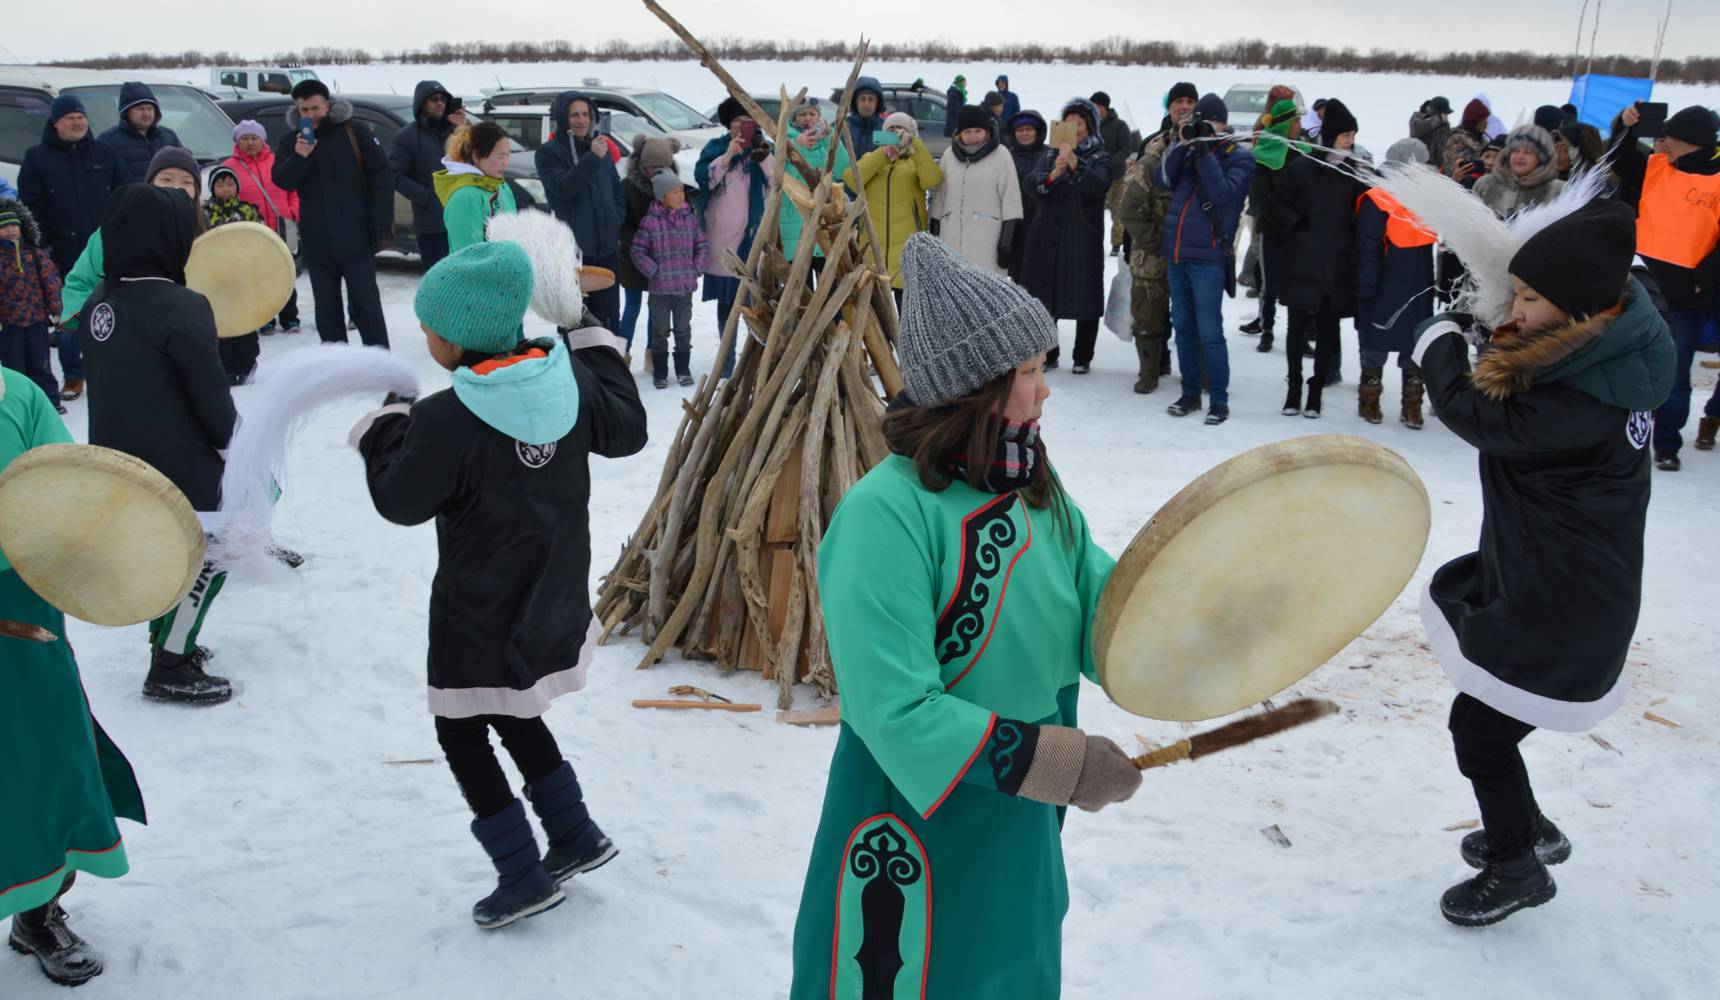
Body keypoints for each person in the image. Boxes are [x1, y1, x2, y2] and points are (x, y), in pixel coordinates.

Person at [788, 233, 1140, 998]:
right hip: (915, 834)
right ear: (973, 389)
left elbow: (1103, 607)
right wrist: (1062, 763)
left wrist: (1196, 623)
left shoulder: (1033, 487)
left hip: (1021, 821)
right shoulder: (885, 515)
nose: (1044, 392)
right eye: (1028, 372)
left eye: (1043, 368)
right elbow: (896, 709)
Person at [350, 240, 647, 929]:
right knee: (513, 709)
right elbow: (627, 429)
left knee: (461, 729)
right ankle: (574, 833)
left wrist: (383, 430)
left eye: (429, 328)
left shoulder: (444, 420)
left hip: (477, 610)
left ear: (456, 340)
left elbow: (400, 500)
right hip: (551, 596)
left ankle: (520, 874)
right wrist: (587, 334)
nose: (424, 337)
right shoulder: (567, 382)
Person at [1411, 199, 1672, 927]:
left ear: (1580, 308)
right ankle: (1527, 831)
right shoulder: (1614, 345)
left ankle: (1517, 867)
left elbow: (1479, 416)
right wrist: (1500, 324)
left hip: (1561, 603)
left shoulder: (1583, 406)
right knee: (1488, 726)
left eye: (1529, 299)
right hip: (1566, 581)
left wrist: (1438, 342)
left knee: (1480, 733)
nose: (1516, 309)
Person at [1, 366, 146, 989]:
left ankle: (38, 914)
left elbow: (66, 486)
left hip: (19, 602)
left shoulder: (16, 393)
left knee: (45, 759)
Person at [79, 184, 239, 705]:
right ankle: (170, 662)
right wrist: (238, 450)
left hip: (118, 463)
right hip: (179, 462)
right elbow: (211, 398)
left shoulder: (99, 301)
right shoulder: (182, 306)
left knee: (162, 555)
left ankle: (168, 639)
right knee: (217, 550)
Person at [1611, 102, 1720, 468]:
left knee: (1675, 372)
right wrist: (1624, 126)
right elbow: (1619, 158)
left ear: (1690, 141)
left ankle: (1667, 445)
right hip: (1640, 284)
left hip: (1687, 295)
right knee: (1627, 362)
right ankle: (1622, 434)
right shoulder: (1657, 167)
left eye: (1669, 136)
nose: (1663, 142)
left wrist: (1701, 283)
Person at [17, 95, 127, 404]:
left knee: (113, 308)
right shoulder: (37, 158)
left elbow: (125, 194)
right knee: (69, 312)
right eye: (69, 118)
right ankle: (74, 373)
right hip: (61, 251)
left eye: (80, 117)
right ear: (55, 123)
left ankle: (111, 368)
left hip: (105, 247)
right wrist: (43, 248)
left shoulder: (106, 153)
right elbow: (31, 207)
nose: (77, 122)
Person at [1154, 93, 1253, 423]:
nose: (1203, 128)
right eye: (1199, 122)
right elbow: (1162, 180)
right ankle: (1190, 393)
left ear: (1223, 125)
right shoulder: (1188, 150)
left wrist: (1204, 152)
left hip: (1208, 257)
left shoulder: (1239, 157)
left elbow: (1223, 195)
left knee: (1210, 332)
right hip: (1177, 254)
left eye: (1209, 123)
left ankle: (1219, 400)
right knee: (1183, 328)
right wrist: (1181, 145)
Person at [272, 80, 393, 348]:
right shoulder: (291, 141)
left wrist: (381, 222)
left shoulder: (354, 131)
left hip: (356, 237)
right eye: (304, 110)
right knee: (327, 312)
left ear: (328, 105)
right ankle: (336, 364)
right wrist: (300, 156)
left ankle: (380, 362)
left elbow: (382, 177)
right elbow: (282, 180)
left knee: (366, 307)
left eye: (315, 108)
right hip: (318, 242)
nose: (310, 115)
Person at [1270, 99, 1364, 419]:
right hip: (1302, 260)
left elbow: (1361, 214)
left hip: (1335, 263)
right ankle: (1293, 389)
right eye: (1345, 135)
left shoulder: (1354, 172)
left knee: (1327, 329)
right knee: (1296, 328)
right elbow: (1277, 204)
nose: (1350, 140)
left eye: (1353, 135)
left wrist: (1350, 239)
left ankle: (1315, 392)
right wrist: (1298, 227)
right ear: (1332, 135)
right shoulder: (1304, 167)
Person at [1020, 98, 1113, 374]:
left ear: (1090, 126)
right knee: (1045, 294)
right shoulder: (1050, 154)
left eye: (1080, 123)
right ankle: (1049, 353)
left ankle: (1083, 356)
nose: (1074, 127)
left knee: (1085, 295)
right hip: (1047, 233)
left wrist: (1076, 164)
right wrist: (1053, 174)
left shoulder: (1099, 155)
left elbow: (1099, 186)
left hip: (1082, 235)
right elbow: (1031, 184)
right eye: (1069, 122)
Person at [1117, 85, 1197, 394]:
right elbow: (1131, 204)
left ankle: (1197, 372)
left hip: (1191, 251)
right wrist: (1152, 242)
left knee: (1193, 318)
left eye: (1190, 101)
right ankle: (1150, 371)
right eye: (1179, 101)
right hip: (1153, 251)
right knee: (1148, 317)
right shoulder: (1153, 149)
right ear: (1169, 106)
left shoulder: (1207, 145)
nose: (1184, 106)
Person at [1355, 139, 1438, 428]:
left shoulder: (1426, 199)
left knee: (1415, 345)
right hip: (1384, 285)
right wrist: (1367, 286)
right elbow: (1368, 248)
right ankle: (1369, 399)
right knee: (1375, 343)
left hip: (1418, 286)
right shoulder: (1378, 198)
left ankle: (1412, 403)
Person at [695, 97, 773, 379]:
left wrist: (763, 157)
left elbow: (778, 181)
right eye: (737, 120)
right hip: (724, 240)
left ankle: (757, 361)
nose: (742, 125)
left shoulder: (765, 148)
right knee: (727, 306)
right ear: (728, 124)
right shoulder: (715, 148)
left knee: (757, 305)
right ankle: (727, 361)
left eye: (747, 120)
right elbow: (704, 180)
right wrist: (728, 156)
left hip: (755, 239)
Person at [535, 91, 624, 332]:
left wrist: (616, 218)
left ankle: (610, 358)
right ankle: (578, 360)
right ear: (563, 118)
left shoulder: (601, 149)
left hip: (607, 251)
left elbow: (616, 189)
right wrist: (592, 158)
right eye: (575, 115)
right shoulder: (548, 153)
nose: (582, 120)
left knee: (609, 322)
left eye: (586, 114)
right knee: (577, 322)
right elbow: (564, 188)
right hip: (573, 256)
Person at [848, 111, 941, 309]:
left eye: (901, 130)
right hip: (873, 247)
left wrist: (915, 145)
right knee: (874, 314)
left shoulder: (915, 163)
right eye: (891, 130)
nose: (896, 134)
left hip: (906, 248)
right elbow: (851, 179)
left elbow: (932, 179)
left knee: (907, 312)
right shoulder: (873, 160)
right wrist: (882, 156)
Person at [630, 173, 708, 388]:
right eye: (674, 192)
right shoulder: (650, 222)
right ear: (662, 196)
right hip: (660, 290)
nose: (680, 195)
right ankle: (660, 373)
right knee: (660, 332)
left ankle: (683, 369)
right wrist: (653, 270)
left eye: (681, 190)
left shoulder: (689, 219)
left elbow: (702, 245)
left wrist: (696, 268)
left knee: (683, 330)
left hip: (684, 287)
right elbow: (637, 251)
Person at [224, 119, 301, 333]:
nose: (250, 142)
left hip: (283, 224)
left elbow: (293, 189)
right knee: (257, 275)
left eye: (254, 138)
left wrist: (293, 211)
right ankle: (264, 317)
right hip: (253, 229)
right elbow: (226, 196)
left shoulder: (277, 160)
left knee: (285, 272)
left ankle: (290, 317)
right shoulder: (229, 167)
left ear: (263, 140)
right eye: (244, 138)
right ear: (237, 142)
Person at [1241, 96, 1303, 354]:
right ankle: (1266, 329)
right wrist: (1289, 219)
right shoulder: (1263, 154)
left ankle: (1299, 334)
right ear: (1284, 124)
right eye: (1295, 121)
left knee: (1299, 283)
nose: (1299, 126)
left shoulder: (1304, 151)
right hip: (1272, 228)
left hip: (1299, 231)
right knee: (1269, 283)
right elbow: (1262, 199)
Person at [932, 105, 1022, 277]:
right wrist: (934, 234)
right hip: (950, 240)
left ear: (986, 132)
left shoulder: (1000, 155)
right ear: (959, 134)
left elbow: (1011, 200)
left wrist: (1006, 243)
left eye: (978, 131)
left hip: (987, 242)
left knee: (982, 288)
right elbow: (940, 198)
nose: (973, 137)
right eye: (967, 132)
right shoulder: (949, 156)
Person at [390, 80, 466, 272]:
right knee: (438, 277)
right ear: (421, 103)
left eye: (442, 99)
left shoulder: (458, 132)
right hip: (431, 223)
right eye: (434, 99)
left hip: (462, 217)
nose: (439, 103)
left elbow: (478, 158)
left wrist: (464, 127)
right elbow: (396, 175)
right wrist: (427, 197)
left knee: (464, 277)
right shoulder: (406, 136)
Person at [203, 166, 267, 385]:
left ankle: (247, 366)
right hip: (216, 279)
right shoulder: (204, 213)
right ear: (212, 187)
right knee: (222, 326)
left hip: (244, 276)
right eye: (220, 185)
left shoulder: (248, 211)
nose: (226, 189)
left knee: (246, 324)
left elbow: (262, 239)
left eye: (230, 184)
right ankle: (226, 369)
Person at [616, 136, 679, 355]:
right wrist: (642, 243)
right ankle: (622, 353)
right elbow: (621, 224)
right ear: (643, 165)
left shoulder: (673, 188)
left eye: (663, 167)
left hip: (661, 262)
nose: (657, 172)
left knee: (656, 310)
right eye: (653, 167)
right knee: (632, 307)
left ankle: (653, 353)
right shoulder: (627, 186)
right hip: (632, 258)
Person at [0, 199, 65, 408]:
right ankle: (18, 406)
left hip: (36, 320)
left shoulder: (35, 254)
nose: (10, 231)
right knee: (13, 368)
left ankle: (49, 402)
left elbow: (51, 281)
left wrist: (56, 307)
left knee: (41, 365)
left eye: (14, 225)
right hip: (9, 324)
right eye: (4, 227)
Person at [780, 99, 850, 283]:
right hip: (795, 219)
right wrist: (795, 144)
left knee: (829, 283)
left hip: (824, 218)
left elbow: (843, 170)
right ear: (794, 119)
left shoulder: (826, 142)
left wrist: (830, 138)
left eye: (812, 114)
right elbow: (779, 171)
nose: (808, 118)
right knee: (800, 286)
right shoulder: (783, 139)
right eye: (802, 114)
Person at [435, 122, 517, 252]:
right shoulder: (464, 197)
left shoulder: (501, 186)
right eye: (500, 156)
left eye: (508, 155)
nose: (506, 163)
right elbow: (469, 254)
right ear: (477, 156)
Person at [96, 82, 183, 181]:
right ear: (127, 112)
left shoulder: (169, 137)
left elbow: (186, 169)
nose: (146, 114)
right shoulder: (107, 141)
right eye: (140, 109)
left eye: (149, 108)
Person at [1473, 125, 1564, 219]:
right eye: (1515, 151)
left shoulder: (1556, 190)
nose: (1520, 156)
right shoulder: (1484, 184)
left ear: (1540, 158)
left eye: (1527, 152)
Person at [1005, 110, 1048, 286]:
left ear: (1038, 132)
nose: (1024, 133)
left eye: (1029, 129)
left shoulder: (1049, 154)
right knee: (1017, 274)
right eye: (1020, 130)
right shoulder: (1006, 156)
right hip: (1014, 224)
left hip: (1041, 222)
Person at [1090, 92, 1134, 254]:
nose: (1094, 109)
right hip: (1095, 177)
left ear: (1105, 107)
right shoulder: (1089, 126)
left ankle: (1116, 245)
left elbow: (1126, 148)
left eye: (1097, 106)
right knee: (1092, 212)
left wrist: (1109, 162)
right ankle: (1093, 242)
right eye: (1092, 106)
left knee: (1118, 213)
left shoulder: (1120, 125)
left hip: (1116, 178)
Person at [1444, 99, 1491, 188]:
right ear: (1475, 121)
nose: (1487, 123)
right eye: (1484, 120)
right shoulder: (1457, 140)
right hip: (1458, 187)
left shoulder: (1482, 139)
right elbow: (1452, 168)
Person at [845, 77, 887, 159]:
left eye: (871, 99)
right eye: (862, 99)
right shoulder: (843, 128)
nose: (866, 104)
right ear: (855, 101)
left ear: (877, 103)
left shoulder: (885, 128)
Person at [1410, 96, 1453, 172]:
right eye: (1444, 113)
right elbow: (1416, 130)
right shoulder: (1417, 117)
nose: (1446, 116)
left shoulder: (1444, 124)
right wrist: (1438, 119)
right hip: (1419, 166)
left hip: (1437, 168)